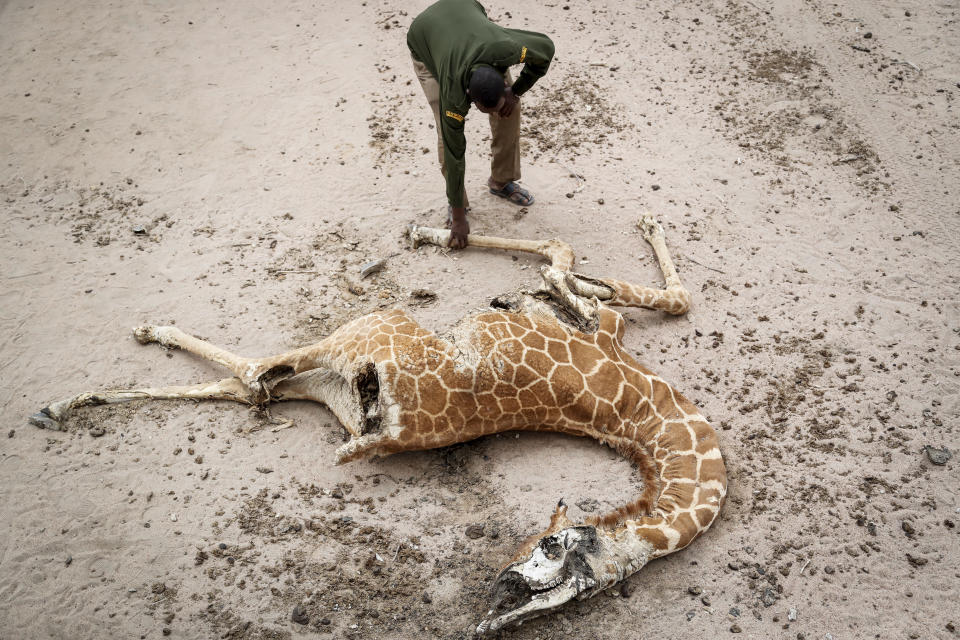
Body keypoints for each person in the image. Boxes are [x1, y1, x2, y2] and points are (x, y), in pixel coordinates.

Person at [407, 0, 555, 249]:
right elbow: (455, 154)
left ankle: (501, 181)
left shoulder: (506, 49)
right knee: (447, 135)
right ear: (468, 96)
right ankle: (458, 204)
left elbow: (546, 49)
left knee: (511, 109)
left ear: (501, 78)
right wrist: (458, 219)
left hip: (466, 8)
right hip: (425, 43)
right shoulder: (454, 96)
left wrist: (516, 91)